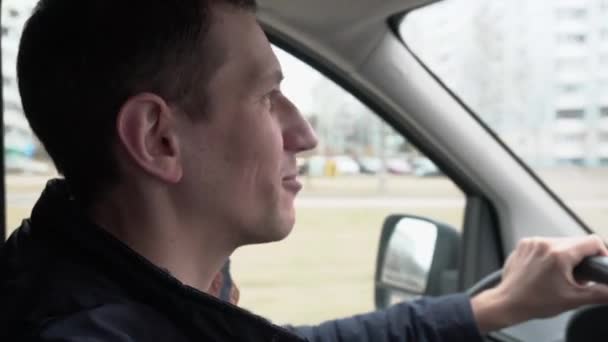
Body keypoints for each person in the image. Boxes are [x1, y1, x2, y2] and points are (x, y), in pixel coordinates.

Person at [1, 0, 608, 341]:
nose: (305, 134)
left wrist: (496, 305)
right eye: (268, 97)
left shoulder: (127, 298)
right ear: (160, 139)